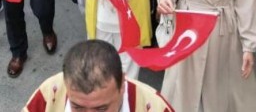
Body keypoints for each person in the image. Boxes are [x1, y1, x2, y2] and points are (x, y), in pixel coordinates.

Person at [23, 39, 173, 112]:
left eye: (101, 109)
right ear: (66, 84)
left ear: (122, 86)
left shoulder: (156, 108)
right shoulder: (47, 96)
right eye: (78, 107)